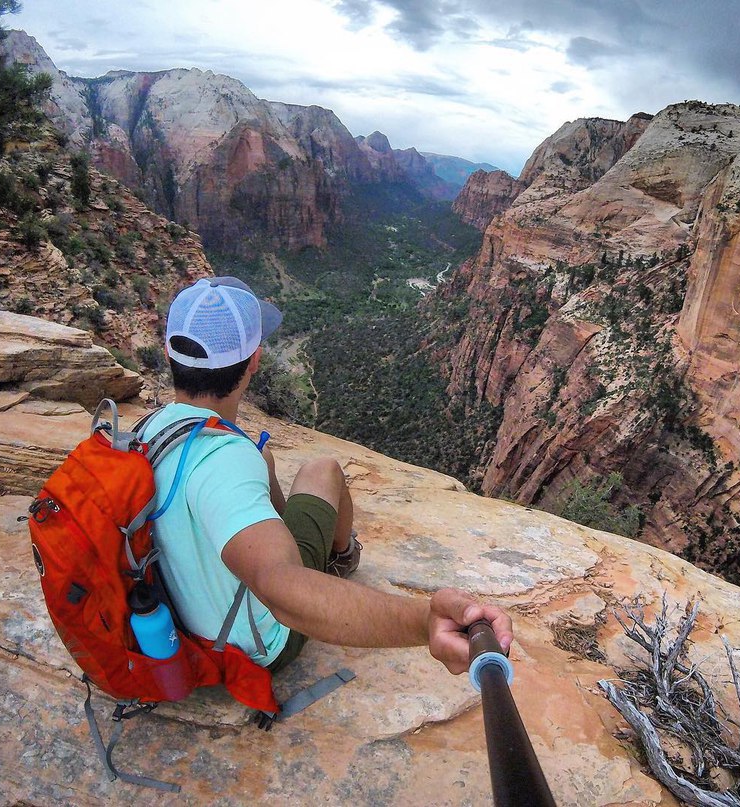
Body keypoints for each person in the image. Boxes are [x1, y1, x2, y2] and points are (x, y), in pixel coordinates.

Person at [145, 276, 513, 677]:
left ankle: (288, 542)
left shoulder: (150, 429)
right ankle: (340, 558)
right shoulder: (225, 460)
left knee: (261, 454)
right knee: (324, 470)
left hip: (176, 616)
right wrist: (425, 621)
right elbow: (281, 590)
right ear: (255, 360)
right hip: (252, 644)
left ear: (169, 353)